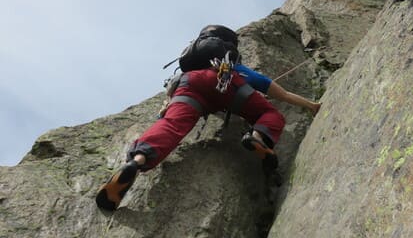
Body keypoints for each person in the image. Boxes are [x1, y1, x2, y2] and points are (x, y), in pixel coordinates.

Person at [96, 62, 320, 211]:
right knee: (269, 113)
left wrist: (168, 107)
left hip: (188, 86)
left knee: (171, 126)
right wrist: (311, 105)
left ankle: (137, 160)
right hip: (227, 84)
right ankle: (258, 137)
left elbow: (165, 111)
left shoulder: (190, 69)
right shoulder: (234, 66)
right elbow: (282, 95)